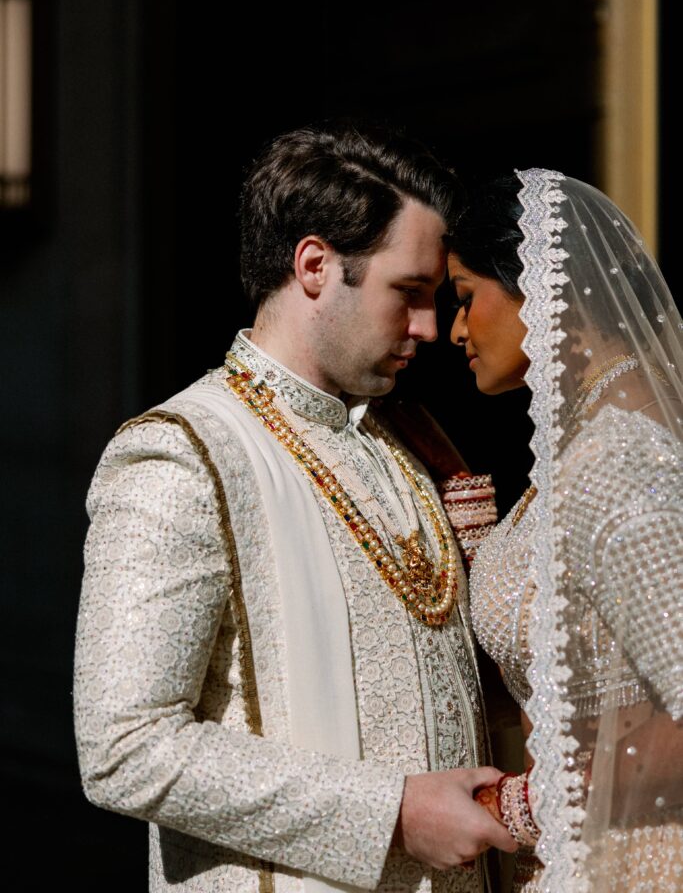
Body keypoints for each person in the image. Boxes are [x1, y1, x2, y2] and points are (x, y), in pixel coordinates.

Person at [73, 122, 517, 893]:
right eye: (407, 293)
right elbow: (124, 747)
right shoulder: (182, 453)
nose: (426, 328)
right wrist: (394, 811)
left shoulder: (407, 440)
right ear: (314, 265)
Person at [446, 168, 683, 892]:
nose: (453, 330)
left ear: (538, 286)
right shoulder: (580, 452)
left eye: (463, 298)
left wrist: (524, 799)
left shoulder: (616, 460)